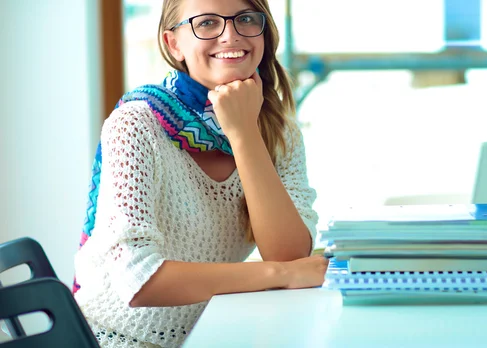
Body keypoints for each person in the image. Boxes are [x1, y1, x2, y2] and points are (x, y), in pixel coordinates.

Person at [73, 0, 328, 346]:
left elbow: (289, 254)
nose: (231, 35)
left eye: (247, 19)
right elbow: (138, 278)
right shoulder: (135, 125)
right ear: (173, 43)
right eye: (207, 23)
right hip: (116, 339)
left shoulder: (279, 132)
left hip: (209, 336)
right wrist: (277, 275)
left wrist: (243, 133)